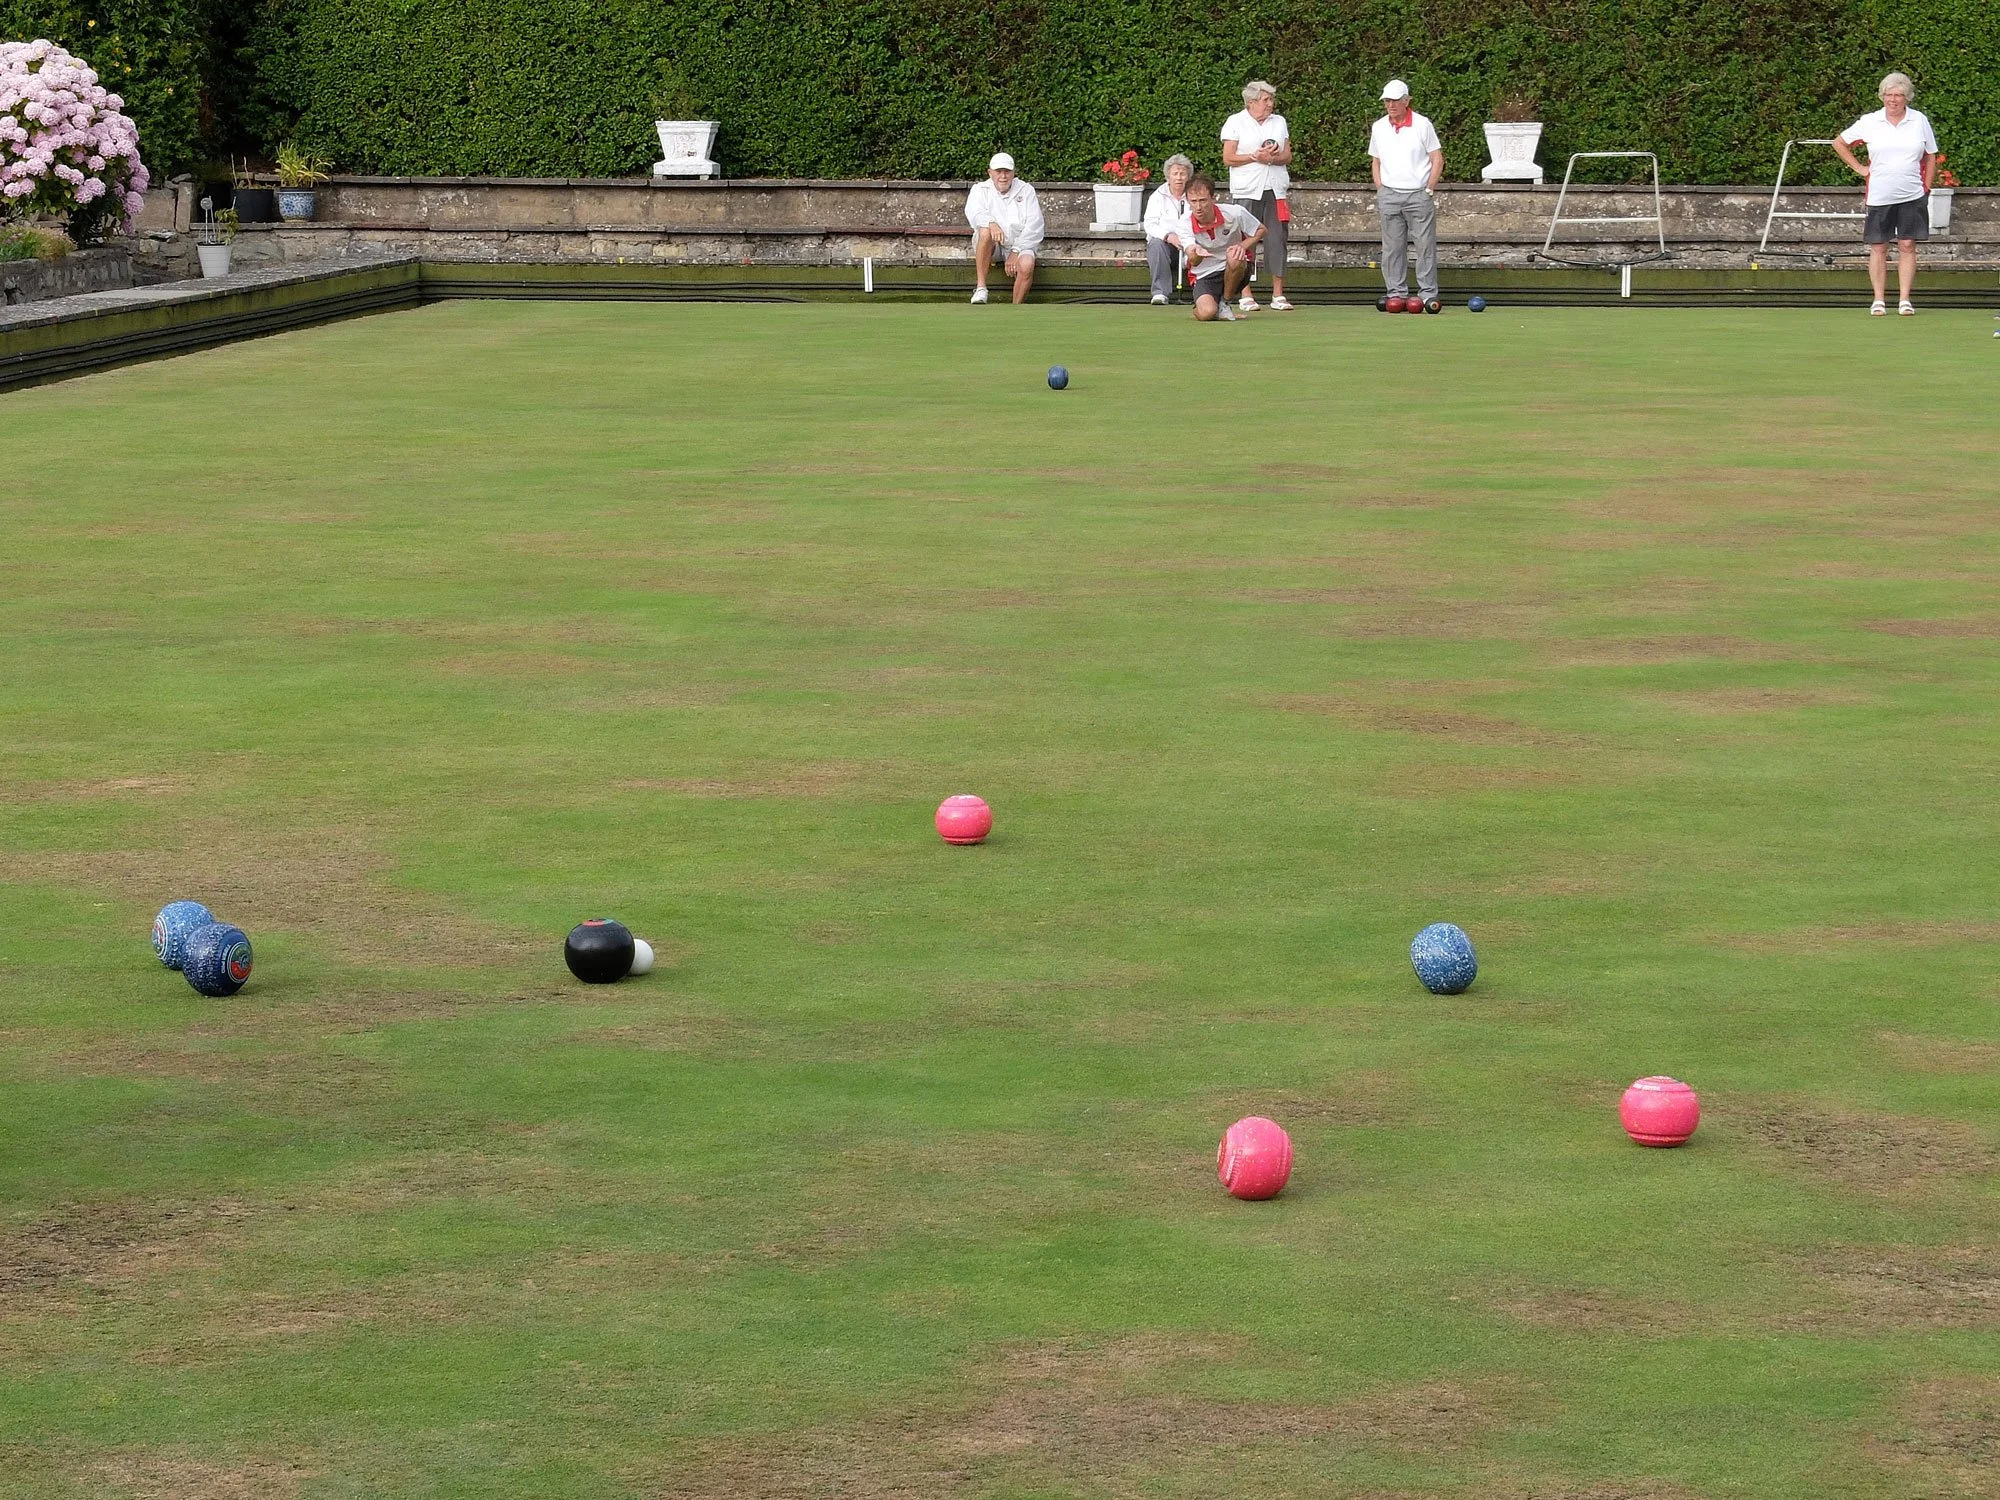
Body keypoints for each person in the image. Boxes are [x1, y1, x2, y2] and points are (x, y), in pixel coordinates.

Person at [1832, 72, 1938, 315]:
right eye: (1889, 95)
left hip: (1912, 194)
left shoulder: (1919, 120)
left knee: (1908, 244)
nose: (1893, 100)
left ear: (1906, 98)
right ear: (1882, 97)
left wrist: (1927, 187)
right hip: (1879, 195)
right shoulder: (1870, 121)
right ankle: (1878, 299)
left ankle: (1904, 300)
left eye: (1899, 95)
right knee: (1879, 246)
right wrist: (1859, 168)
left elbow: (1931, 154)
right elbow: (1839, 143)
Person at [1219, 81, 1293, 311]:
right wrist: (1254, 157)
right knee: (1244, 241)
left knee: (1277, 240)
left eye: (1271, 100)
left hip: (1276, 189)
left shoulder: (1279, 122)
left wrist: (1271, 158)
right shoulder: (1235, 122)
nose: (1270, 104)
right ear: (1251, 103)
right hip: (1247, 189)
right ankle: (1245, 294)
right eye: (1265, 100)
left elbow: (1287, 155)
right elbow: (1228, 158)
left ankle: (1278, 295)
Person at [1370, 79, 1443, 308]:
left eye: (1395, 100)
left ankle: (1428, 293)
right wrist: (1381, 188)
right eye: (1387, 100)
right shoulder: (1379, 127)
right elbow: (1376, 160)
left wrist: (1429, 189)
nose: (1390, 105)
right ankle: (1396, 293)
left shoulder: (1422, 125)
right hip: (1389, 194)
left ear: (1406, 101)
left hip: (1418, 195)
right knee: (1392, 248)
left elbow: (1437, 158)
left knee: (1424, 246)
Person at [1182, 173, 1265, 322]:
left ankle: (1225, 303)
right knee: (1207, 313)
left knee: (1235, 255)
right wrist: (1197, 253)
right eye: (1193, 201)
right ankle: (1202, 309)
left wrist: (1242, 245)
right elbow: (1193, 260)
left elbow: (1261, 230)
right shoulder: (1184, 222)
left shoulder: (1235, 212)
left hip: (1236, 266)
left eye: (1203, 201)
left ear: (1213, 198)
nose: (1198, 207)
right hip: (1204, 273)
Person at [964, 152, 1044, 305]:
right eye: (998, 171)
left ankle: (1015, 307)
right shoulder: (980, 189)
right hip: (991, 246)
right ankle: (981, 288)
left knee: (1027, 264)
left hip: (1019, 243)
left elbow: (1035, 225)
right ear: (990, 172)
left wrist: (1016, 251)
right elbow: (974, 213)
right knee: (985, 231)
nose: (1003, 176)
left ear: (1013, 173)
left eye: (1007, 172)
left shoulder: (1027, 190)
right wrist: (991, 223)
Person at [1142, 154, 1195, 304]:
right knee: (1156, 244)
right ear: (1168, 176)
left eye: (1182, 174)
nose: (1179, 178)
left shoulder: (1194, 195)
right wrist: (1169, 236)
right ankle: (1160, 293)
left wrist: (1187, 241)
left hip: (1190, 243)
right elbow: (1150, 224)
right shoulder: (1157, 196)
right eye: (1175, 174)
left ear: (1188, 177)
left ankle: (1202, 291)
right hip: (1167, 245)